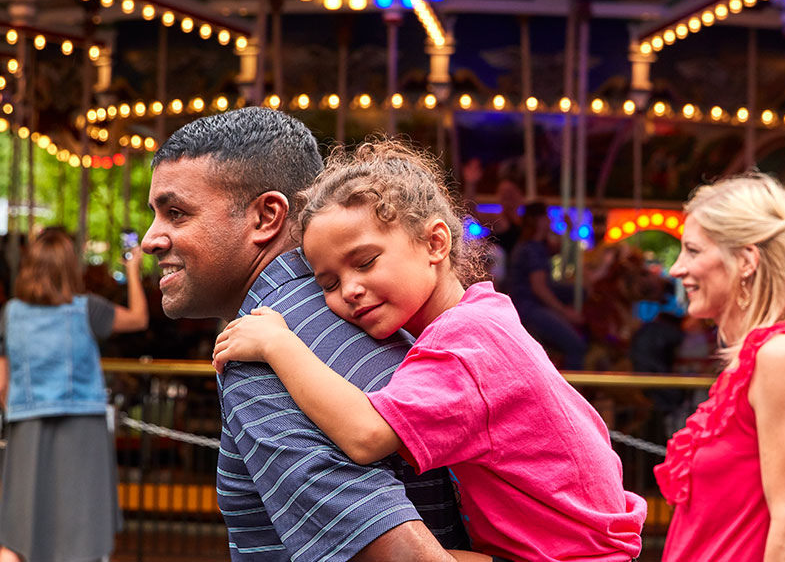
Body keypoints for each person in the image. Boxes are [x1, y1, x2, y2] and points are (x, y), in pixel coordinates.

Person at [212, 137, 647, 562]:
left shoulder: (464, 345)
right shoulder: (482, 317)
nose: (351, 290)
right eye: (328, 283)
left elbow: (367, 436)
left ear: (435, 243)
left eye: (365, 262)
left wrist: (279, 344)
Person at [141, 108, 468, 562]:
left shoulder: (267, 351)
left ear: (267, 216)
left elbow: (400, 555)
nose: (150, 239)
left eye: (176, 213)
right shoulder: (358, 318)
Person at [654, 173, 785, 562]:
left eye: (691, 250)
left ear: (746, 261)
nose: (676, 268)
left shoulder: (783, 355)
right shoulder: (760, 357)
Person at [0, 227, 148, 562]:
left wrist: (21, 410)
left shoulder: (11, 314)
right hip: (83, 429)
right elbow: (139, 318)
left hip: (27, 426)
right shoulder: (88, 309)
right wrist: (132, 270)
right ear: (70, 266)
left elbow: (1, 382)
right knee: (82, 526)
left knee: (19, 528)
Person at [506, 201, 588, 370]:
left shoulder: (535, 246)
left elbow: (559, 248)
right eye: (547, 216)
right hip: (528, 307)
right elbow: (539, 288)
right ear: (539, 220)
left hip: (526, 303)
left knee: (580, 291)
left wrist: (569, 230)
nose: (550, 220)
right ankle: (573, 387)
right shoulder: (532, 250)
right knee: (576, 346)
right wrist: (565, 313)